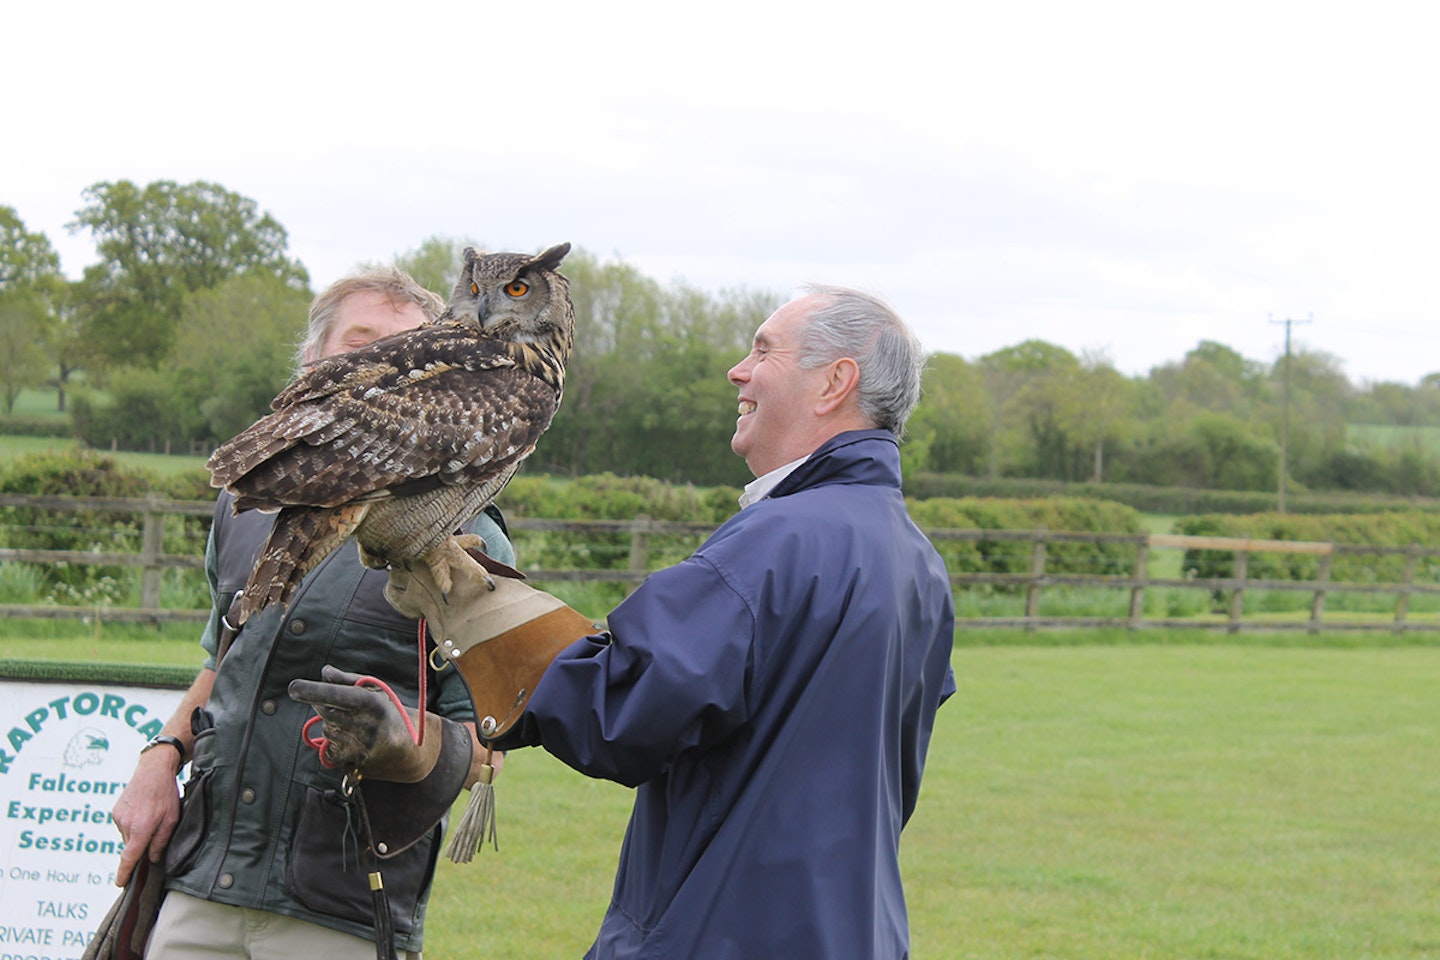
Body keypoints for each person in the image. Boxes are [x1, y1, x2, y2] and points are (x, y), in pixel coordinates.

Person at [363, 285, 957, 958]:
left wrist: (474, 605)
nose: (738, 370)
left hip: (725, 931)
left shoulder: (779, 541)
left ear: (835, 382)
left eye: (763, 350)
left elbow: (620, 711)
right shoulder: (918, 563)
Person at [108, 267, 513, 960]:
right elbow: (221, 664)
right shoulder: (246, 511)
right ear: (311, 368)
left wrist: (408, 744)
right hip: (204, 878)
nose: (384, 374)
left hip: (342, 906)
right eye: (362, 348)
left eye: (409, 358)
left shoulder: (466, 532)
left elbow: (491, 742)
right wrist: (161, 755)